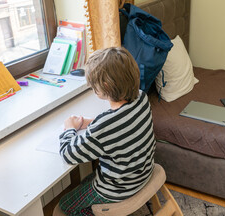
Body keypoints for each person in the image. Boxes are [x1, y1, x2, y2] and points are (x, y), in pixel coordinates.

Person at [58, 47, 156, 216]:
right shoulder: (141, 98)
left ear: (104, 86)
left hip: (119, 190)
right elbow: (121, 125)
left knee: (64, 205)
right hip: (142, 174)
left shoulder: (105, 125)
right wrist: (90, 123)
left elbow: (68, 154)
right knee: (88, 179)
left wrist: (69, 128)